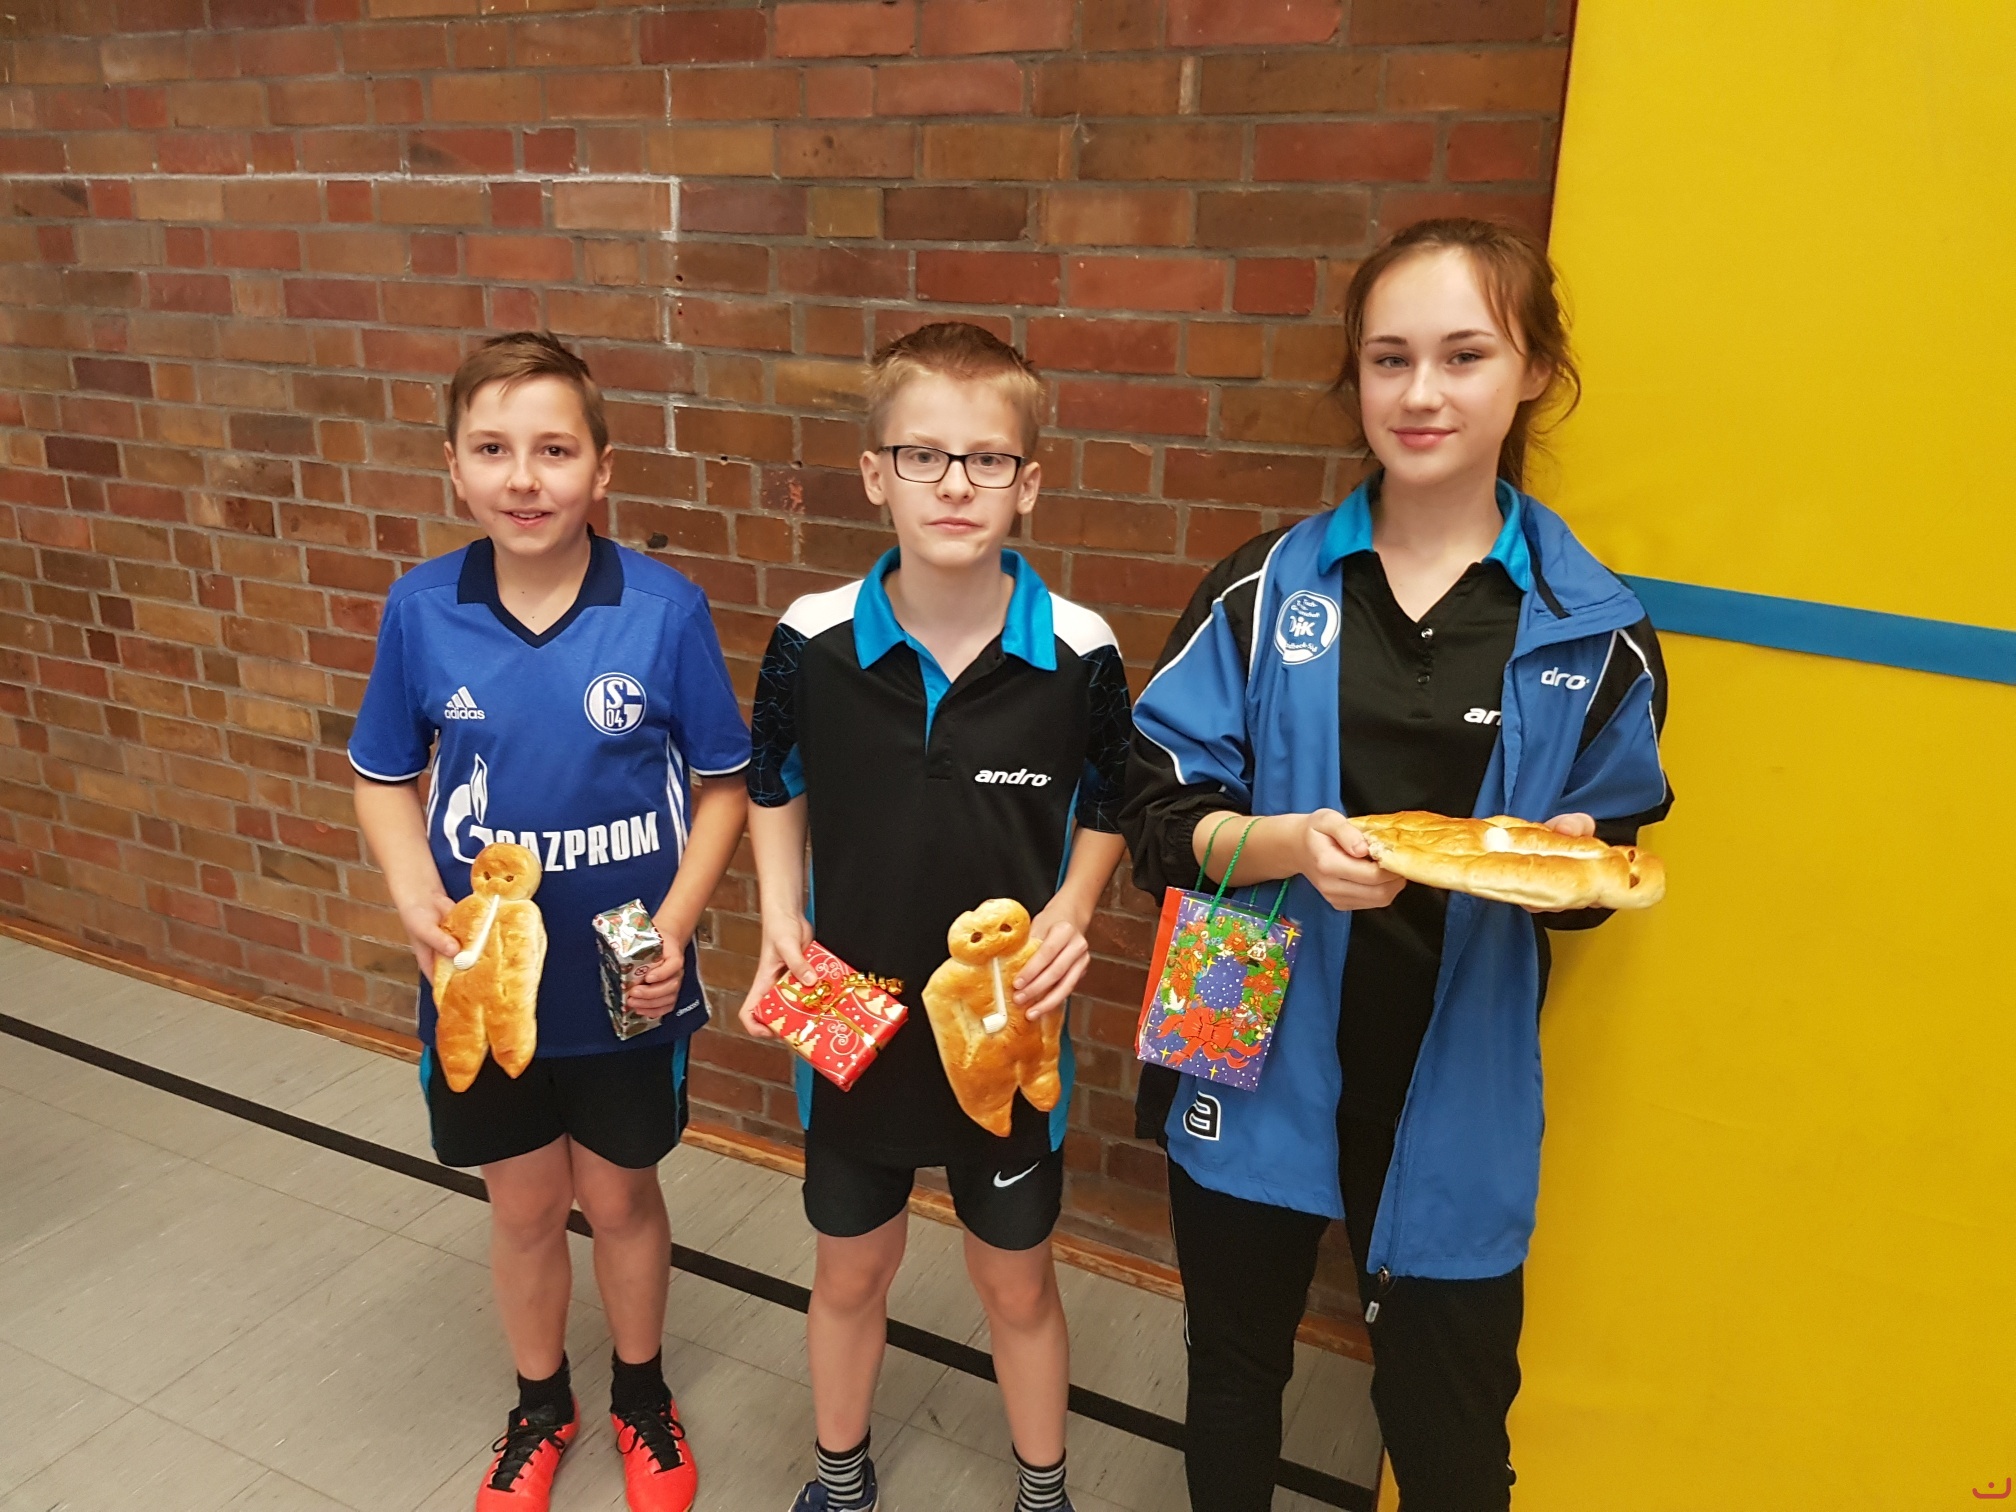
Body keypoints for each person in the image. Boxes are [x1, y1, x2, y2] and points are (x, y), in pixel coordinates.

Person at [1119, 219, 1673, 1512]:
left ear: (1534, 373)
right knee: (1234, 1376)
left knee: (1451, 1431)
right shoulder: (1261, 591)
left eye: (1464, 355)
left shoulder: (1598, 632)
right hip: (1242, 1033)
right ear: (1356, 376)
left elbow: (1605, 873)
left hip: (1456, 1067)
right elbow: (1155, 813)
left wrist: (1572, 868)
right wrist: (1285, 848)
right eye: (1389, 359)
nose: (1422, 393)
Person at [350, 332, 750, 1512]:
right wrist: (412, 893)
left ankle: (641, 1396)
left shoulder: (664, 611)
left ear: (602, 467)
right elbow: (382, 775)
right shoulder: (423, 610)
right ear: (453, 467)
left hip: (628, 983)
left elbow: (726, 785)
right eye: (493, 450)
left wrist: (675, 924)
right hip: (483, 987)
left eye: (554, 450)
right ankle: (540, 1406)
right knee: (524, 1204)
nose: (524, 478)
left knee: (619, 1197)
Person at [739, 322, 1133, 1512]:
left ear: (1030, 482)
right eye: (922, 455)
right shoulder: (809, 639)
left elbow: (1111, 798)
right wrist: (776, 914)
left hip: (1009, 1039)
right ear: (875, 474)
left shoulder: (1081, 651)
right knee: (850, 1271)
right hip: (845, 1021)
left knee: (1016, 1286)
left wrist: (1075, 903)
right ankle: (841, 1477)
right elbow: (772, 780)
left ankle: (1043, 1490)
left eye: (987, 459)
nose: (955, 484)